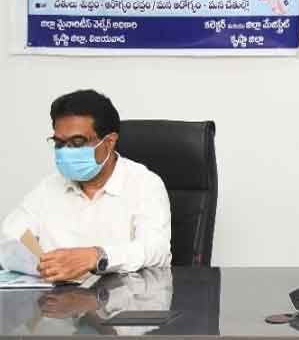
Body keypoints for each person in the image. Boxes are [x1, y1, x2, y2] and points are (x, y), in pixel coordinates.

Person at [1, 90, 171, 282]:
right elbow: (11, 235)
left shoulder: (145, 184)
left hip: (119, 304)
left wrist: (96, 256)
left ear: (109, 142)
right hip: (55, 304)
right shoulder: (49, 187)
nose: (66, 151)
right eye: (59, 143)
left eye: (77, 142)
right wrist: (41, 264)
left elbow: (156, 250)